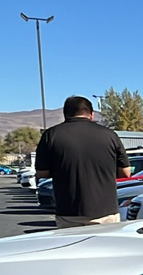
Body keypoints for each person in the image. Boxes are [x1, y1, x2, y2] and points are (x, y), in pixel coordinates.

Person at [34, 96, 130, 229]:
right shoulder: (110, 135)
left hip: (69, 211)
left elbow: (42, 173)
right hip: (105, 211)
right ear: (91, 114)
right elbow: (126, 173)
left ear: (65, 114)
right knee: (104, 249)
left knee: (71, 249)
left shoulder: (51, 135)